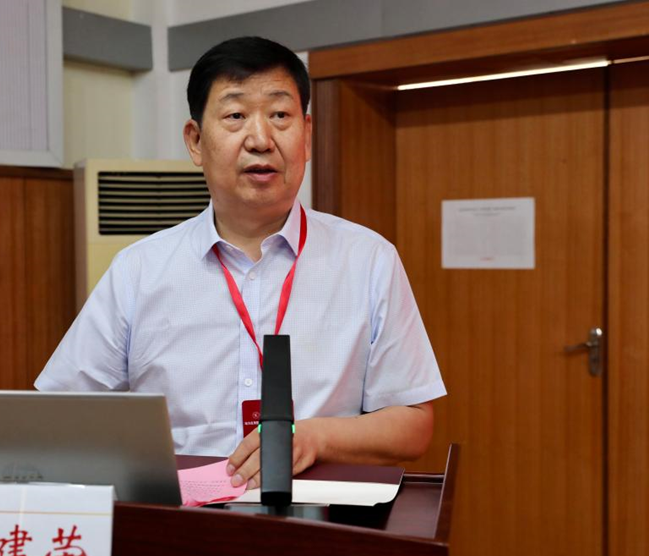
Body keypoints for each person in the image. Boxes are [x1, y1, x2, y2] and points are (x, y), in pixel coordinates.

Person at [36, 37, 446, 490]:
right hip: (179, 519)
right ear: (196, 141)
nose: (261, 139)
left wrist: (315, 438)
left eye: (280, 116)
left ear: (307, 135)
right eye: (235, 116)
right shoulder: (139, 270)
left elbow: (412, 424)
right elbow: (59, 412)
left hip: (319, 519)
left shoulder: (368, 260)